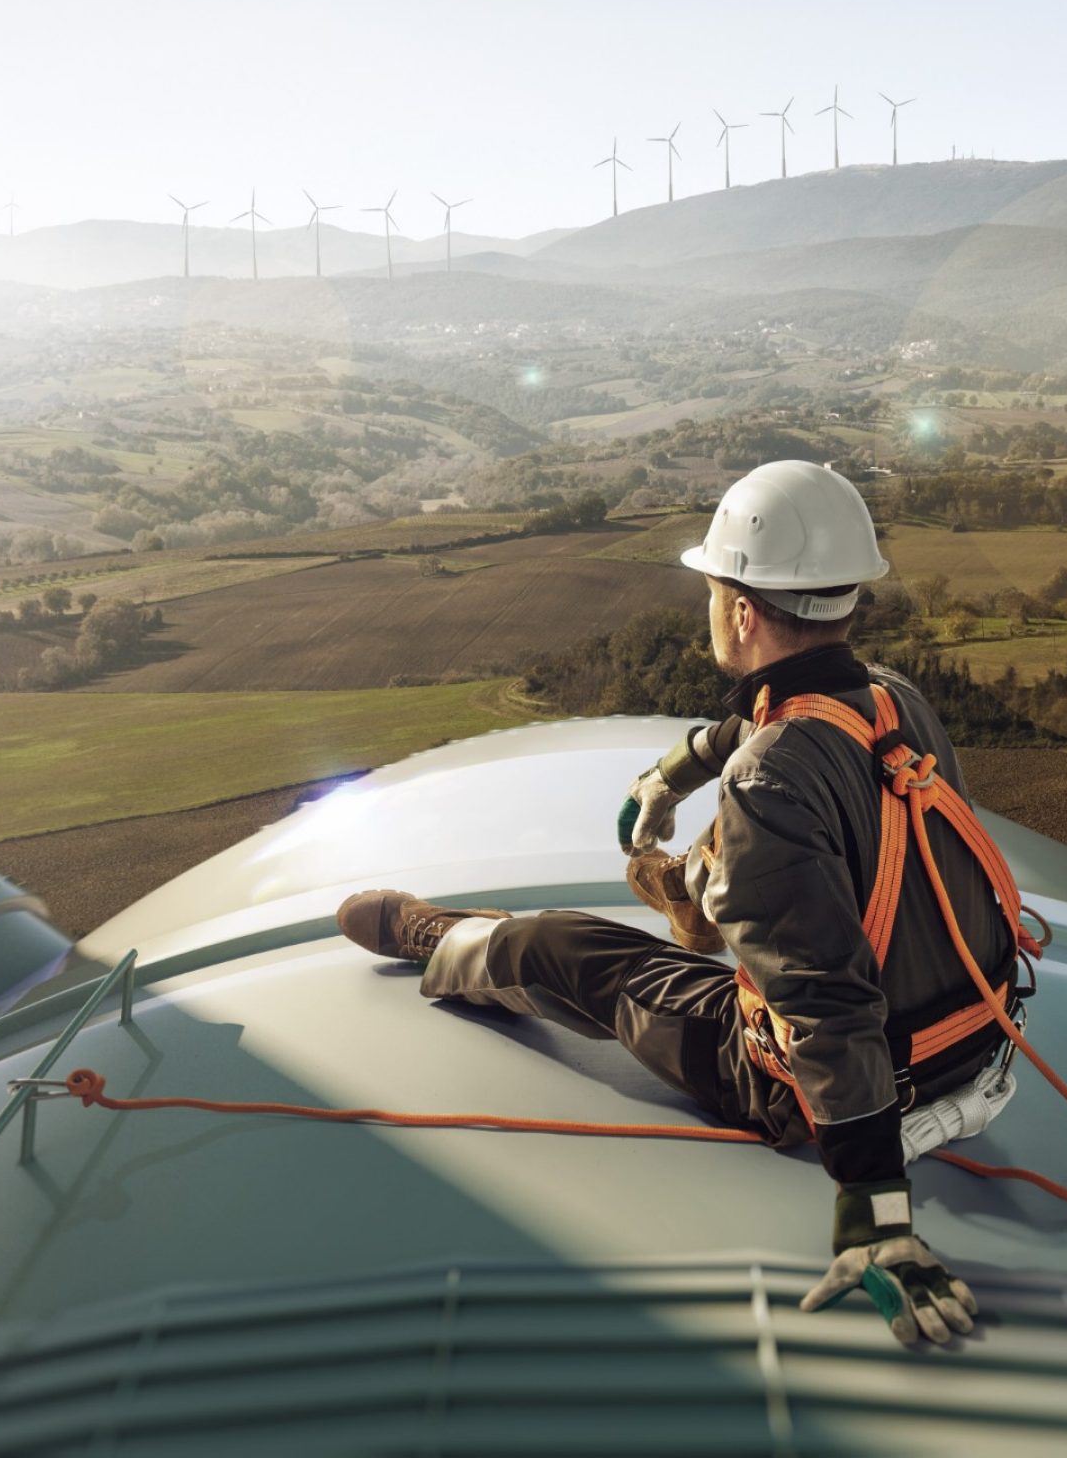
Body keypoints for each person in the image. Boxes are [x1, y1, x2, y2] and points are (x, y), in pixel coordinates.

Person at [336, 459, 1026, 1350]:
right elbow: (769, 723)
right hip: (982, 1050)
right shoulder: (892, 698)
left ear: (741, 610)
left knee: (564, 947)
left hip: (846, 1094)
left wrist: (877, 1213)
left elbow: (826, 1006)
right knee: (759, 859)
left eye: (712, 588)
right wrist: (675, 772)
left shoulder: (770, 780)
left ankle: (448, 940)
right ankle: (700, 891)